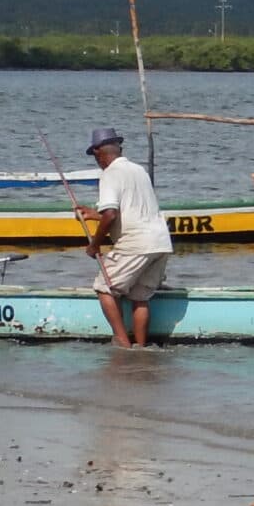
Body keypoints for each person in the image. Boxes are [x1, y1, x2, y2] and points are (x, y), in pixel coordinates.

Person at [79, 126, 172, 347]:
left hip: (136, 242)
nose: (97, 160)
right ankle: (141, 346)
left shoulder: (110, 174)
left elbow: (111, 214)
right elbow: (130, 208)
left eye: (95, 155)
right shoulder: (139, 170)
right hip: (160, 241)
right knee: (139, 298)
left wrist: (95, 245)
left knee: (104, 288)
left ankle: (123, 343)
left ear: (100, 153)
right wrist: (94, 215)